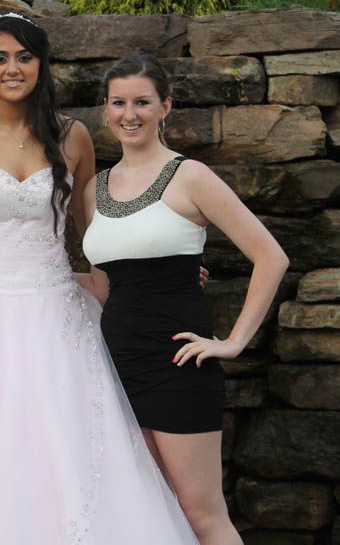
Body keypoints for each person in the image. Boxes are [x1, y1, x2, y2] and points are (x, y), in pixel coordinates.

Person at [0, 13, 198, 544]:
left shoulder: (71, 137)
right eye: (0, 58)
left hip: (55, 315)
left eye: (24, 57)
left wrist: (162, 274)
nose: (13, 68)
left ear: (41, 65)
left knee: (67, 448)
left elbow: (97, 234)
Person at [81, 52, 289, 545]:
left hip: (176, 362)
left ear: (165, 106)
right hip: (115, 365)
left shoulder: (190, 175)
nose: (129, 114)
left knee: (201, 513)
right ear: (105, 111)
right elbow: (102, 285)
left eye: (142, 102)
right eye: (118, 103)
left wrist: (233, 342)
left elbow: (270, 257)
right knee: (148, 510)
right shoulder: (92, 190)